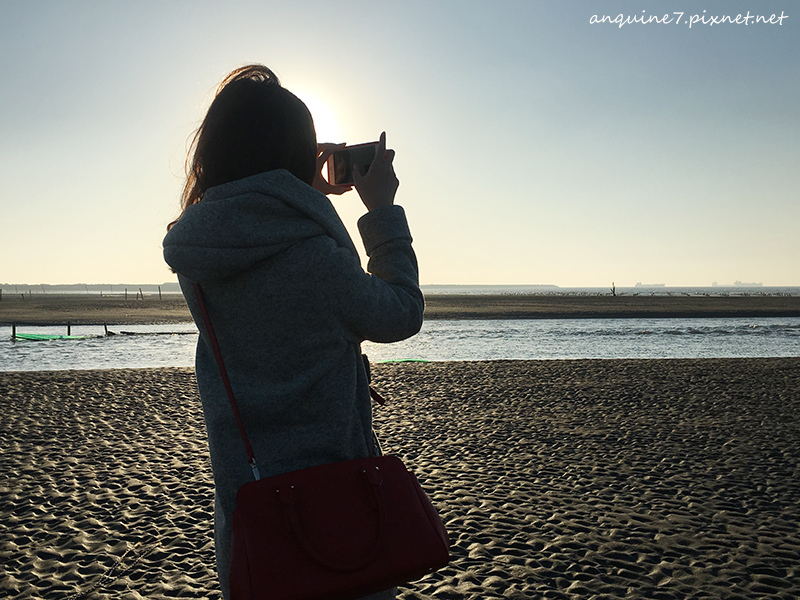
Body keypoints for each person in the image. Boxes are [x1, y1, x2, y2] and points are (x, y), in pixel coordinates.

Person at [162, 65, 423, 600]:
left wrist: (295, 182)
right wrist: (383, 212)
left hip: (250, 506)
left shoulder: (198, 252)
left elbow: (254, 230)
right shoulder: (311, 254)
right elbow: (399, 313)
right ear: (295, 153)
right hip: (335, 502)